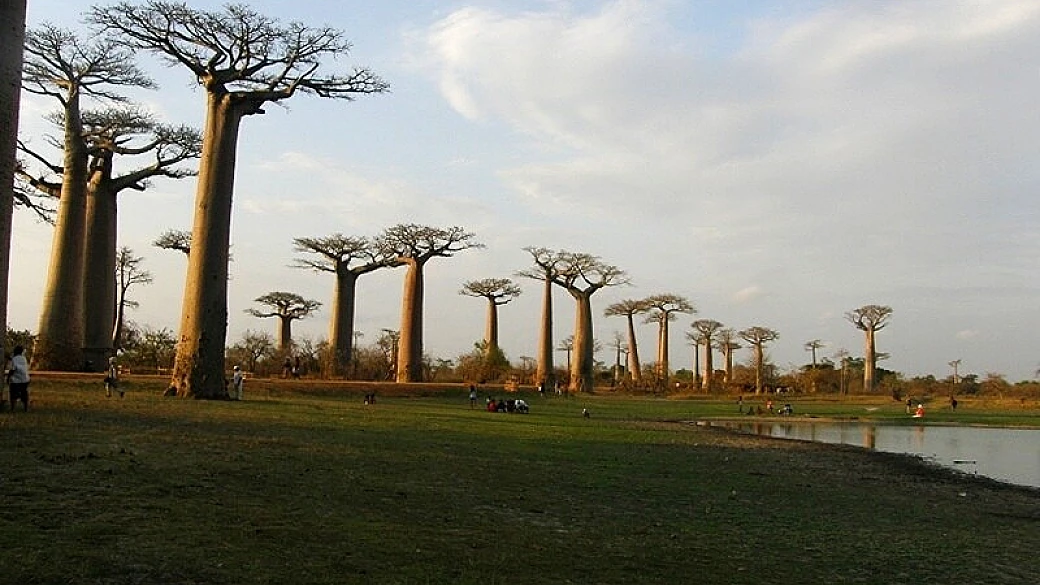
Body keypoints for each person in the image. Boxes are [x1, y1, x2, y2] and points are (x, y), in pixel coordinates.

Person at [7, 345, 30, 412]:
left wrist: (8, 378)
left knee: (13, 394)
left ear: (15, 351)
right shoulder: (24, 358)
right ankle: (26, 408)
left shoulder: (14, 359)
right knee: (24, 394)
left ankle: (12, 409)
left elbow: (12, 370)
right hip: (25, 379)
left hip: (16, 380)